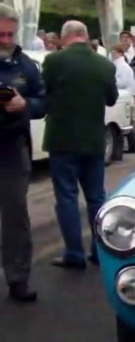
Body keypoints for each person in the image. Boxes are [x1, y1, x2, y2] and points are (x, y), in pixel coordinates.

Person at [42, 20, 118, 269]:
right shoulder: (105, 65)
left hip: (62, 140)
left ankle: (74, 253)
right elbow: (111, 99)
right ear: (85, 37)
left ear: (64, 38)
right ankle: (99, 250)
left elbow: (45, 95)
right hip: (94, 139)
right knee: (96, 197)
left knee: (66, 197)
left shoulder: (54, 62)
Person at [0, 4, 46, 301]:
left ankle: (18, 279)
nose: (5, 39)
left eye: (9, 33)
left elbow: (44, 101)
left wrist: (25, 106)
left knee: (15, 217)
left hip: (12, 149)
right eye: (0, 34)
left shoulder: (27, 65)